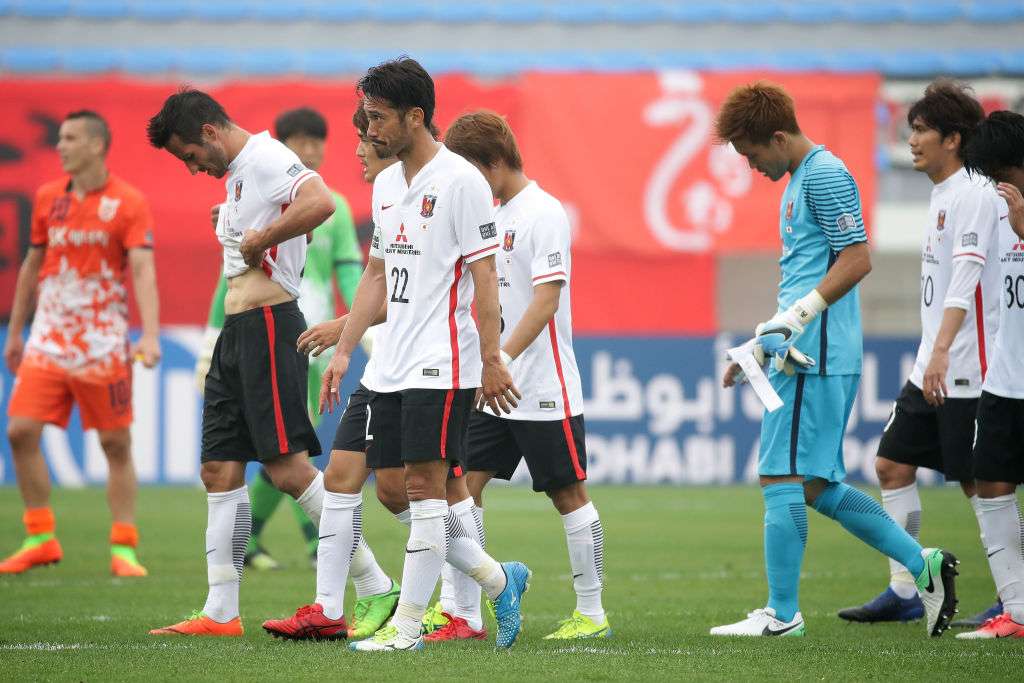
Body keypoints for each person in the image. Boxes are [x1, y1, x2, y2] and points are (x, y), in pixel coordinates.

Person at [713, 82, 958, 638]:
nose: (752, 166)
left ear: (777, 136)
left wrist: (796, 320)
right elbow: (807, 275)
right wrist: (760, 343)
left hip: (813, 355)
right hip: (807, 348)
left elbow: (858, 258)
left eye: (753, 155)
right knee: (816, 486)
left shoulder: (824, 174)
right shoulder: (800, 179)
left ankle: (782, 614)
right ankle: (925, 566)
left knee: (779, 474)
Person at [318, 57, 529, 653]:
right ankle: (497, 578)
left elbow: (486, 277)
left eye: (378, 117)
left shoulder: (461, 182)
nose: (368, 129)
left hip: (445, 359)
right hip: (390, 363)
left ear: (416, 116)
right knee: (388, 488)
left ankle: (408, 625)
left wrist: (491, 357)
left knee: (423, 487)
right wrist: (343, 350)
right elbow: (376, 275)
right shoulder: (386, 184)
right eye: (365, 116)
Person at [145, 88, 334, 636]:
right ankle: (221, 612)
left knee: (287, 471)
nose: (191, 167)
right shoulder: (237, 179)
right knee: (218, 470)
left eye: (189, 155)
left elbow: (320, 203)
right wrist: (237, 224)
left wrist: (264, 237)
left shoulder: (269, 156)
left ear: (208, 132)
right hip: (238, 330)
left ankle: (374, 583)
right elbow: (277, 229)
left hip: (272, 326)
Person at [438, 110, 609, 641]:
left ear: (492, 162)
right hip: (494, 387)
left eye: (468, 170)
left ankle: (591, 614)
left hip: (540, 387)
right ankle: (463, 614)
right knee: (460, 488)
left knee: (568, 494)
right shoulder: (493, 213)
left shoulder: (544, 212)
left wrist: (500, 360)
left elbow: (545, 300)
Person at [839, 80, 1002, 627]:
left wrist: (941, 352)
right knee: (891, 465)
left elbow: (969, 276)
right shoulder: (944, 192)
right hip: (932, 363)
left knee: (982, 482)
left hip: (967, 369)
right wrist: (929, 354)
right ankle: (906, 589)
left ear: (953, 139)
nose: (911, 140)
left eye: (921, 130)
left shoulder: (977, 192)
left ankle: (1013, 592)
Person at [195, 107, 364, 571]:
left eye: (317, 141)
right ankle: (303, 543)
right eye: (301, 141)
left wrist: (361, 322)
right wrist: (212, 341)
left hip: (306, 334)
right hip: (261, 327)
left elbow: (351, 269)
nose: (310, 150)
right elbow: (228, 277)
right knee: (275, 452)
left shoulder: (336, 205)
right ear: (284, 146)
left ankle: (318, 548)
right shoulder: (258, 188)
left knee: (287, 450)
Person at [1, 110, 160, 578]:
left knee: (115, 442)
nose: (60, 146)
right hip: (48, 336)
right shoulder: (48, 198)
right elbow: (31, 266)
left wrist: (149, 333)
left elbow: (143, 269)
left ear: (96, 145)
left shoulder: (128, 202)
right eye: (61, 138)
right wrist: (15, 330)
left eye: (70, 138)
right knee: (20, 432)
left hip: (101, 342)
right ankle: (40, 536)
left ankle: (124, 546)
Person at [956, 110, 1024, 639]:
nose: (996, 185)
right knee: (989, 480)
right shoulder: (995, 209)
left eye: (1001, 172)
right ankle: (1019, 611)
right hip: (1004, 377)